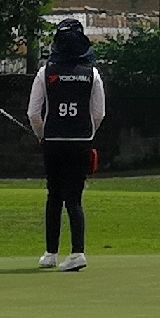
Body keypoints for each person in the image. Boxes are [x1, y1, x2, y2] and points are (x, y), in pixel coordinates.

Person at [27, 17, 105, 271]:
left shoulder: (45, 72)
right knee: (75, 198)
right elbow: (98, 114)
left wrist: (42, 135)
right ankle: (77, 252)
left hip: (54, 142)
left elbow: (33, 114)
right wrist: (86, 134)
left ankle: (51, 253)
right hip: (81, 142)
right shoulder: (92, 74)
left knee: (54, 196)